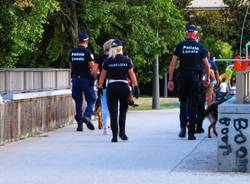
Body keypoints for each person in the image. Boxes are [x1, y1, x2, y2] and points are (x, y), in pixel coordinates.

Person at [168, 25, 210, 140]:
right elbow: (207, 65)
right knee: (193, 105)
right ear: (196, 34)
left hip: (183, 78)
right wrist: (207, 78)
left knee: (183, 103)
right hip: (195, 78)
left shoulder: (180, 46)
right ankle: (191, 133)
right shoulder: (200, 47)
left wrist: (170, 80)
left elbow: (172, 64)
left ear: (186, 34)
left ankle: (183, 129)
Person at [98, 39, 139, 142]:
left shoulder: (108, 60)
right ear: (121, 48)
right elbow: (132, 74)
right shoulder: (126, 60)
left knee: (113, 112)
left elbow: (102, 76)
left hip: (112, 87)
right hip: (124, 87)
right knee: (123, 112)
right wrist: (136, 87)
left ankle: (114, 136)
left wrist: (99, 87)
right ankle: (122, 133)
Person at [69, 33, 96, 132]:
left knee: (78, 101)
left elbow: (71, 67)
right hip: (86, 79)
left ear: (78, 41)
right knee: (92, 98)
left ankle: (79, 125)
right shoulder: (88, 52)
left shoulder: (72, 52)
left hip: (76, 79)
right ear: (86, 41)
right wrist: (94, 77)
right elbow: (92, 67)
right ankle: (87, 115)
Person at [95, 39, 114, 135]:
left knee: (104, 105)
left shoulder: (100, 58)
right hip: (113, 83)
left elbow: (94, 71)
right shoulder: (114, 58)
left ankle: (105, 127)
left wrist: (96, 80)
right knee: (115, 105)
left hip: (102, 85)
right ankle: (114, 125)